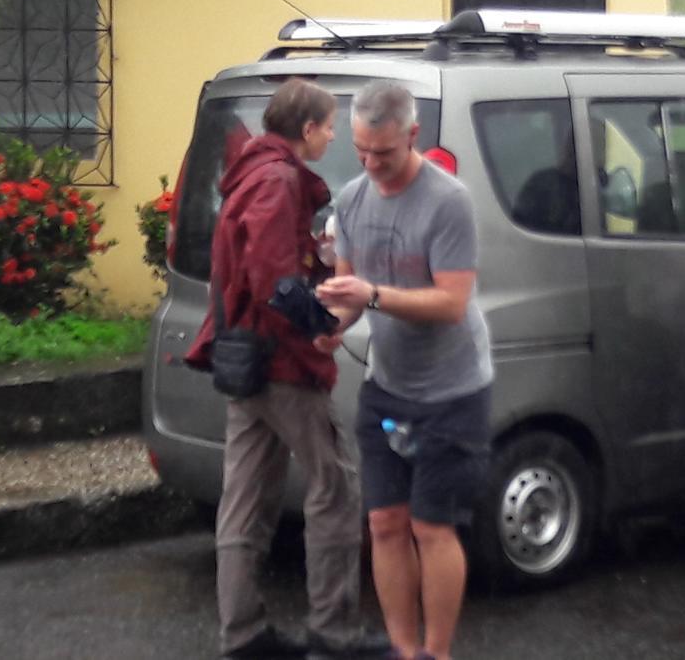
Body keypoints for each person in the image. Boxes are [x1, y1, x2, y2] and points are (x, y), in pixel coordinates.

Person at [186, 78, 389, 659]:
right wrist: (321, 326)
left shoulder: (251, 173)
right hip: (280, 364)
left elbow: (259, 263)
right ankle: (335, 631)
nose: (332, 134)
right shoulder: (277, 180)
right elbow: (273, 278)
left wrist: (314, 258)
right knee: (335, 489)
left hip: (244, 359)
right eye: (328, 126)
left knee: (245, 497)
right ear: (307, 130)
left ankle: (242, 634)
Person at [315, 81, 493, 660]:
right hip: (386, 387)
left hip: (452, 392)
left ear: (412, 136)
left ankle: (437, 654)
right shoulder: (351, 199)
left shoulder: (448, 201)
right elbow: (348, 293)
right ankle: (404, 650)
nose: (370, 164)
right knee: (386, 524)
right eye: (361, 152)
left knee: (432, 527)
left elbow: (450, 304)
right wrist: (329, 326)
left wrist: (370, 296)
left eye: (383, 153)